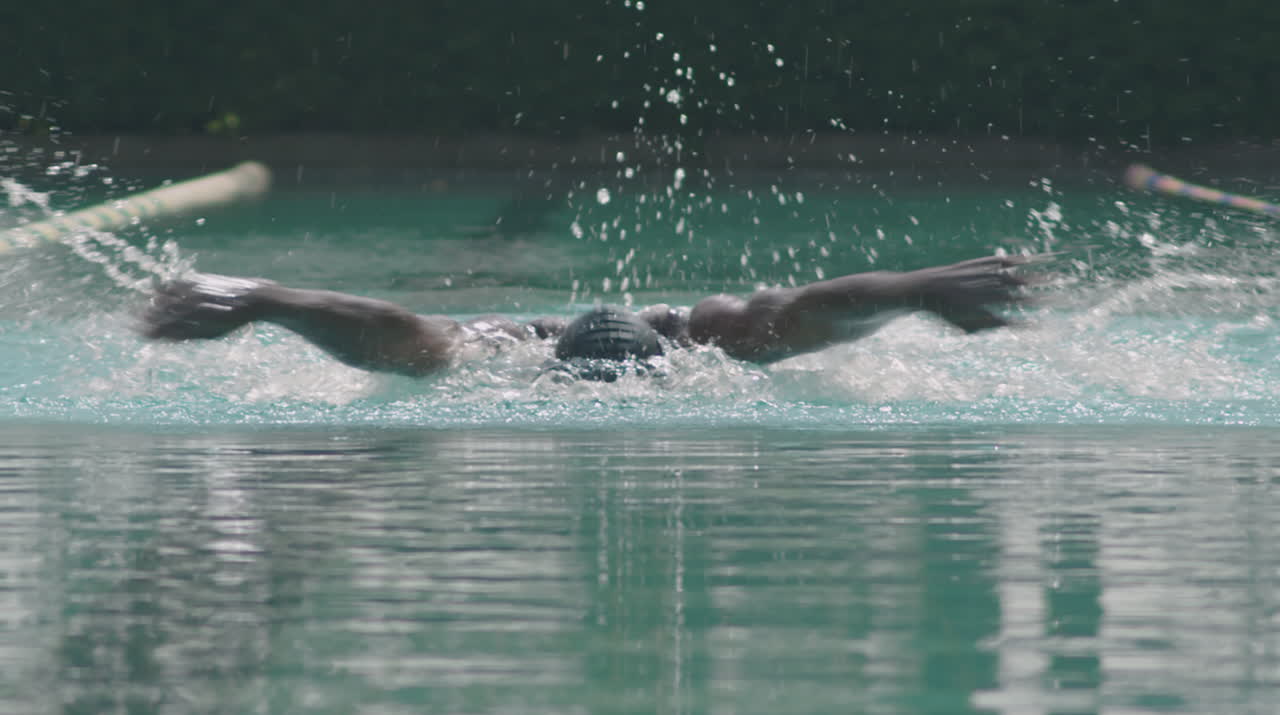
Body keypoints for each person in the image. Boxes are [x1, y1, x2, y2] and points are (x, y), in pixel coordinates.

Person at [140, 254, 1042, 380]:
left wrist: (267, 299)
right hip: (531, 344)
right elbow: (393, 328)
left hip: (689, 328)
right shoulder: (508, 355)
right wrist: (264, 300)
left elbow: (386, 330)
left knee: (756, 321)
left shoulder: (708, 338)